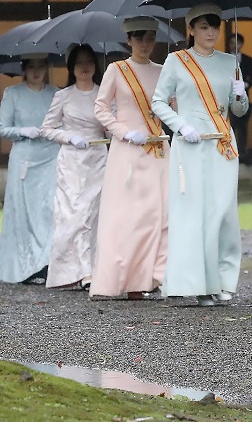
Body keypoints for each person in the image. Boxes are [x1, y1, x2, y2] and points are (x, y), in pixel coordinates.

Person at [151, 3, 249, 307]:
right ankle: (198, 283)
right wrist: (181, 126)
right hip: (190, 146)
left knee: (223, 212)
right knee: (193, 213)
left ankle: (223, 280)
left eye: (215, 27)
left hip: (222, 143)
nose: (211, 33)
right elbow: (158, 102)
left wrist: (241, 95)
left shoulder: (230, 61)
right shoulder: (176, 60)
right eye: (204, 27)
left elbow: (238, 110)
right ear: (190, 29)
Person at [92, 18, 169, 299]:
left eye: (150, 37)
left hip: (157, 149)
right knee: (128, 216)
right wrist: (123, 132)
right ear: (129, 40)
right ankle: (125, 277)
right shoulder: (117, 69)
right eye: (139, 38)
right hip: (127, 151)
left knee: (159, 213)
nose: (145, 44)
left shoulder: (163, 70)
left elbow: (173, 104)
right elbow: (101, 108)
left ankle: (153, 277)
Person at [40, 45, 107, 290]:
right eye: (80, 63)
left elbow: (111, 124)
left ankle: (94, 269)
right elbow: (46, 129)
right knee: (75, 214)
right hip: (71, 162)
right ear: (72, 67)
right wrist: (69, 137)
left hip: (98, 159)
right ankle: (78, 271)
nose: (85, 67)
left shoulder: (103, 94)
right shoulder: (63, 96)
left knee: (94, 214)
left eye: (89, 62)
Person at [0, 55, 60, 284]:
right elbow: (3, 128)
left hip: (50, 156)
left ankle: (46, 263)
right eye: (31, 67)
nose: (36, 71)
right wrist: (23, 130)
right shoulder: (13, 94)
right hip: (24, 159)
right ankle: (24, 266)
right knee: (23, 212)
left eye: (41, 66)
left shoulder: (55, 93)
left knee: (48, 210)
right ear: (23, 69)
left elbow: (63, 121)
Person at [225, 33, 252, 165]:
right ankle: (229, 152)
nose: (235, 45)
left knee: (243, 128)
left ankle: (243, 153)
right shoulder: (224, 58)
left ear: (242, 44)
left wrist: (245, 85)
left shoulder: (247, 59)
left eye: (237, 43)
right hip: (227, 98)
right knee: (230, 126)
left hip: (243, 97)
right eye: (232, 42)